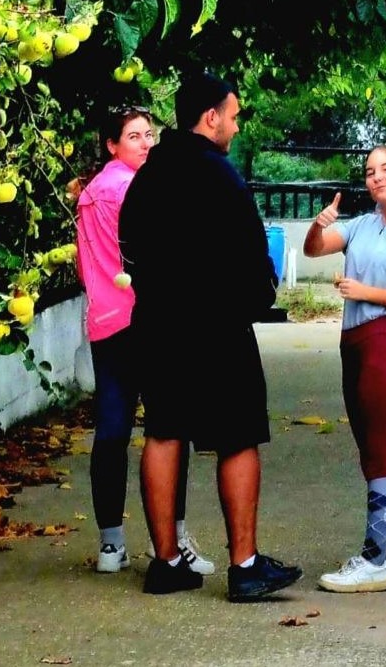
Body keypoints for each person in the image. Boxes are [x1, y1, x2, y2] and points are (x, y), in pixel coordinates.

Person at [117, 71, 302, 600]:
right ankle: (244, 565)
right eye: (234, 115)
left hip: (156, 323)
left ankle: (166, 562)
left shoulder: (148, 176)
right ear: (211, 116)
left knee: (163, 432)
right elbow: (253, 262)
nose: (237, 126)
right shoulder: (221, 177)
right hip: (218, 328)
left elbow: (127, 248)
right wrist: (255, 297)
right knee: (239, 435)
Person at [74, 106, 214, 576]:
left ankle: (111, 543)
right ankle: (171, 540)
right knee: (170, 429)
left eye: (148, 135)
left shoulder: (90, 193)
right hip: (147, 319)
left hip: (105, 322)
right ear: (112, 146)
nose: (145, 144)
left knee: (112, 430)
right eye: (134, 137)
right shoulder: (135, 188)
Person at [304, 146, 386, 593]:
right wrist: (316, 227)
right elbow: (318, 248)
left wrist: (366, 290)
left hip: (383, 345)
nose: (377, 177)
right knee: (373, 456)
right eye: (370, 172)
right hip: (353, 345)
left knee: (379, 454)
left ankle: (374, 558)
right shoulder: (362, 224)